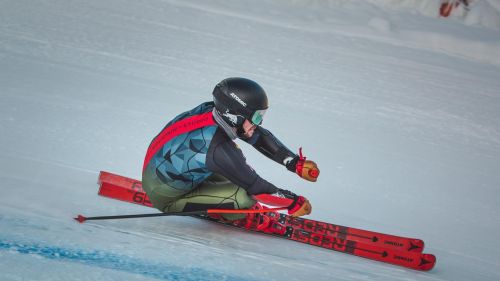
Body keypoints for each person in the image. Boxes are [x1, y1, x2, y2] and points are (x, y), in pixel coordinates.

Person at [141, 77, 319, 231]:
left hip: (159, 169)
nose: (259, 122)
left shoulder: (212, 110)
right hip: (165, 197)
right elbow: (257, 189)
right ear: (236, 116)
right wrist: (293, 203)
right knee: (242, 197)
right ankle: (239, 215)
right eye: (257, 117)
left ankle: (206, 192)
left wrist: (294, 163)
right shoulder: (218, 148)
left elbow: (258, 137)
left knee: (234, 168)